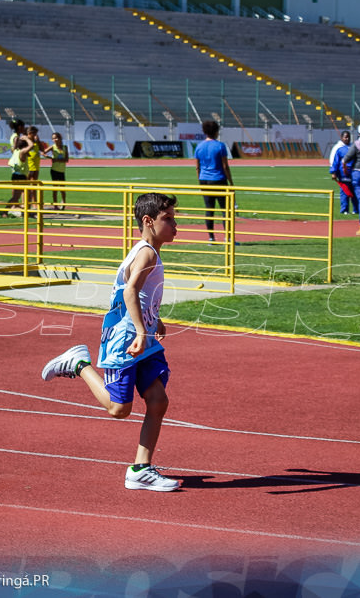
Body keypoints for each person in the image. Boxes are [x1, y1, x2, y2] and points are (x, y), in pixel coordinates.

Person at [41, 192, 180, 492]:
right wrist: (143, 333)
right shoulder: (147, 254)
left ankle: (140, 470)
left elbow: (137, 296)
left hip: (141, 339)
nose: (175, 225)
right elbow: (130, 292)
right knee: (120, 409)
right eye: (167, 219)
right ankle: (78, 364)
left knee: (158, 400)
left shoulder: (148, 252)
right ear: (148, 221)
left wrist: (155, 322)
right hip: (125, 341)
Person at [193, 119, 233, 243]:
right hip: (219, 179)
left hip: (204, 180)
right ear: (216, 131)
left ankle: (211, 238)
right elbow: (225, 166)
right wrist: (231, 182)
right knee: (225, 210)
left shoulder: (199, 146)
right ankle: (228, 238)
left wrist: (200, 181)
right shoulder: (220, 146)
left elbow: (197, 167)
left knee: (209, 209)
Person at [328, 130, 358, 215]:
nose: (347, 139)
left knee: (355, 193)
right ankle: (344, 209)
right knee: (344, 193)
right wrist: (333, 172)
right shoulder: (339, 149)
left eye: (348, 137)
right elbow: (335, 162)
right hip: (343, 174)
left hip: (353, 174)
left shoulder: (353, 147)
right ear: (341, 138)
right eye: (345, 137)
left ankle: (356, 209)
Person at [47, 131, 69, 211]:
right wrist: (49, 157)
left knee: (62, 189)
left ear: (60, 138)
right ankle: (55, 205)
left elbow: (66, 159)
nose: (55, 140)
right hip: (54, 170)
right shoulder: (52, 147)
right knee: (55, 189)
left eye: (56, 138)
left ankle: (63, 203)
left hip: (62, 171)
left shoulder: (65, 147)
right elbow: (43, 152)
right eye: (53, 139)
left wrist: (56, 159)